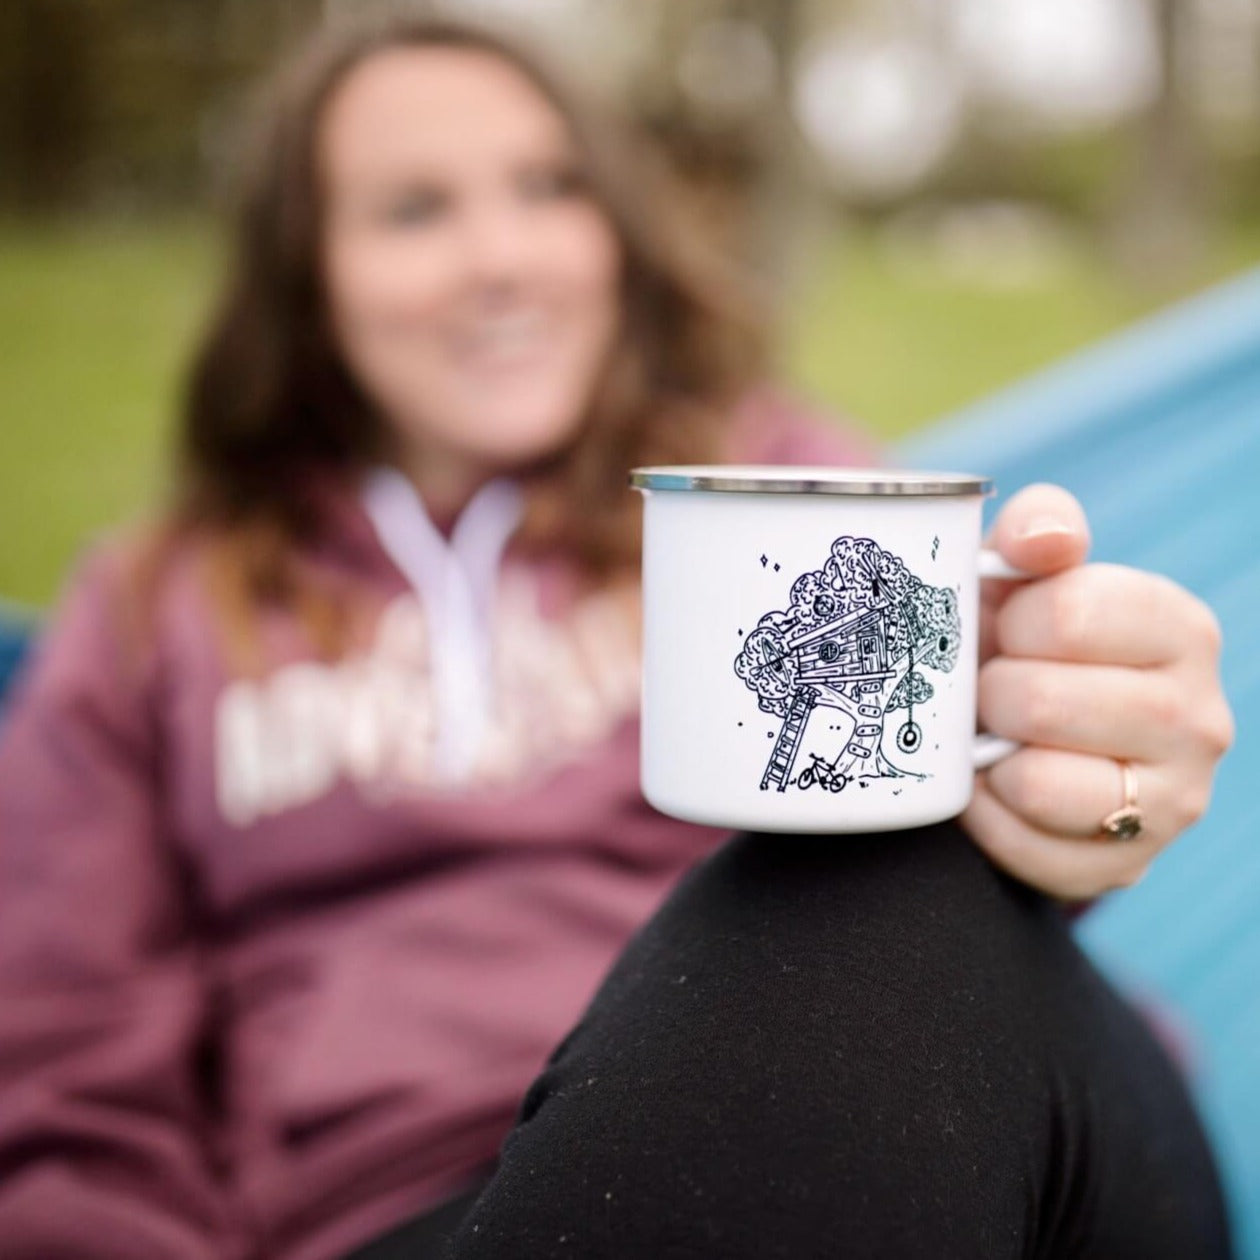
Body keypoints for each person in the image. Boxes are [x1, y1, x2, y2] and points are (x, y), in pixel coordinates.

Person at [0, 12, 1234, 1260]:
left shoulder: (779, 489)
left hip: (895, 1116)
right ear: (307, 271)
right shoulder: (161, 608)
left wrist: (1083, 763)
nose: (503, 258)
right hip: (403, 1220)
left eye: (551, 188)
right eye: (414, 209)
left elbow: (973, 927)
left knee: (863, 876)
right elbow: (62, 1082)